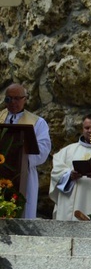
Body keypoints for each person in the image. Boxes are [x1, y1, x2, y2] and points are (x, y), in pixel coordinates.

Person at [0, 83, 51, 219]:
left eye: (17, 98)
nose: (13, 102)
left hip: (23, 174)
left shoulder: (38, 123)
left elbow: (43, 148)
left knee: (21, 212)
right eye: (9, 98)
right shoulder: (1, 117)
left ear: (25, 99)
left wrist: (21, 159)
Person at [49, 114, 91, 220]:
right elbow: (56, 173)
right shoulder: (67, 151)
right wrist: (69, 176)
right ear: (82, 129)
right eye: (87, 128)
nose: (89, 130)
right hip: (70, 203)